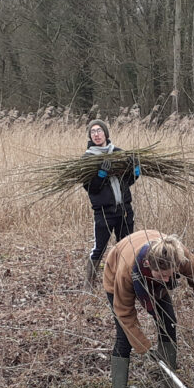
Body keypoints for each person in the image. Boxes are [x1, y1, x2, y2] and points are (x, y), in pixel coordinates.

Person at [102, 231, 194, 388]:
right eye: (162, 276)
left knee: (169, 322)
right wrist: (144, 346)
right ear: (149, 265)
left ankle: (169, 380)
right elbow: (124, 313)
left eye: (170, 275)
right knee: (124, 338)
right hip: (116, 270)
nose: (168, 280)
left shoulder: (180, 256)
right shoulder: (126, 271)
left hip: (153, 271)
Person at [82, 118, 139, 289]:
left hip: (124, 210)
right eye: (93, 132)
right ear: (90, 136)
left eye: (99, 130)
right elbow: (90, 189)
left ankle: (125, 281)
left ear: (106, 133)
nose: (96, 134)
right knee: (99, 248)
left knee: (127, 247)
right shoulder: (87, 159)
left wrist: (135, 171)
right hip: (104, 213)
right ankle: (88, 286)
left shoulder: (119, 153)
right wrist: (100, 175)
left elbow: (127, 181)